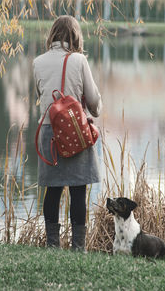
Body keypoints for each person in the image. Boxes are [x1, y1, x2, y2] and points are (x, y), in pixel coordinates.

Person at [33, 15, 102, 250]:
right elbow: (93, 101)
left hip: (48, 133)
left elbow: (40, 95)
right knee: (78, 191)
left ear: (52, 34)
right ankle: (78, 248)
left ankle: (53, 244)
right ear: (75, 35)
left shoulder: (37, 62)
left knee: (52, 191)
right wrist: (97, 108)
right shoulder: (79, 60)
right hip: (75, 130)